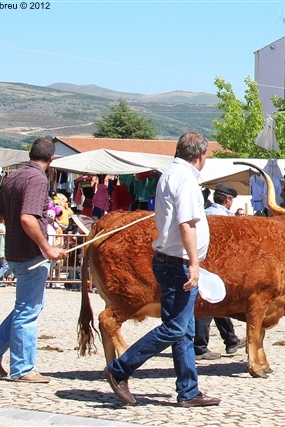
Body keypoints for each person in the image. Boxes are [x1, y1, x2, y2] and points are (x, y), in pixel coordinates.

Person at [103, 131, 220, 407]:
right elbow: (186, 224)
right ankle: (119, 369)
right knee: (174, 328)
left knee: (184, 329)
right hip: (178, 262)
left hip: (170, 260)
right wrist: (194, 263)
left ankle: (189, 390)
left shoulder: (170, 173)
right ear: (200, 155)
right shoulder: (186, 179)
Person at [0, 137, 66, 383]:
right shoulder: (37, 179)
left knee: (25, 307)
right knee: (28, 311)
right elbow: (27, 218)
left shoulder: (13, 177)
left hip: (14, 252)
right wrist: (48, 248)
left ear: (30, 154)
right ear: (52, 159)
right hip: (31, 255)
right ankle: (23, 369)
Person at [194, 183, 244, 360]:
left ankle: (231, 340)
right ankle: (199, 347)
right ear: (228, 199)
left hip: (203, 261)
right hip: (217, 264)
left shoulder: (205, 212)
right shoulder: (224, 217)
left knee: (217, 301)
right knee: (207, 304)